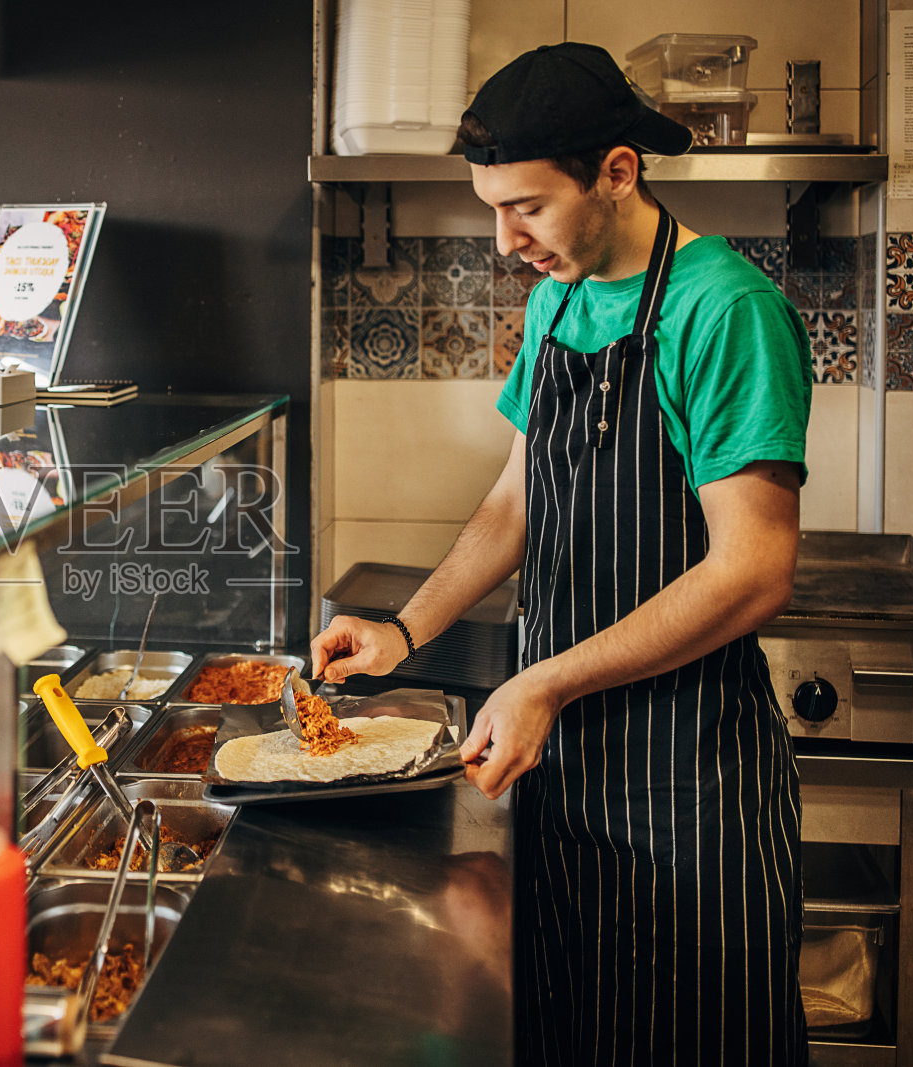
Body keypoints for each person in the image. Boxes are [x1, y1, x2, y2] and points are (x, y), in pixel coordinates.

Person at [311, 42, 810, 1065]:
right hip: (564, 772)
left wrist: (546, 678)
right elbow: (514, 499)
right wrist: (407, 627)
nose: (504, 240)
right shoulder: (557, 301)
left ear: (617, 173)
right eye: (492, 208)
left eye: (526, 206)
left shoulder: (723, 310)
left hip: (687, 783)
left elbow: (752, 568)